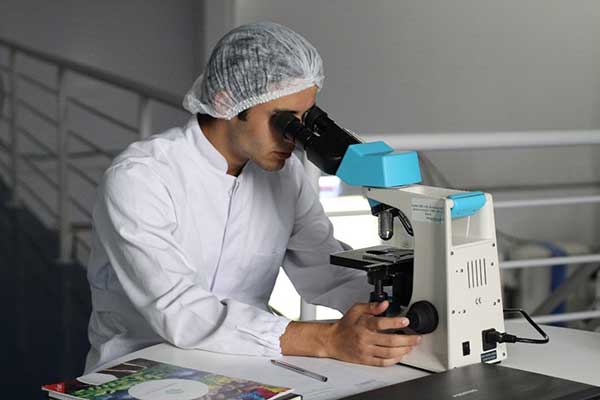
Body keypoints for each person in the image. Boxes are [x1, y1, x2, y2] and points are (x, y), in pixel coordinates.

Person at [84, 21, 421, 373]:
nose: (295, 138)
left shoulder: (285, 176)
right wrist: (328, 339)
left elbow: (327, 271)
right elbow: (180, 311)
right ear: (226, 102)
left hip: (243, 366)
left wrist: (395, 314)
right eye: (285, 122)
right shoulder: (142, 178)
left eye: (305, 120)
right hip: (141, 369)